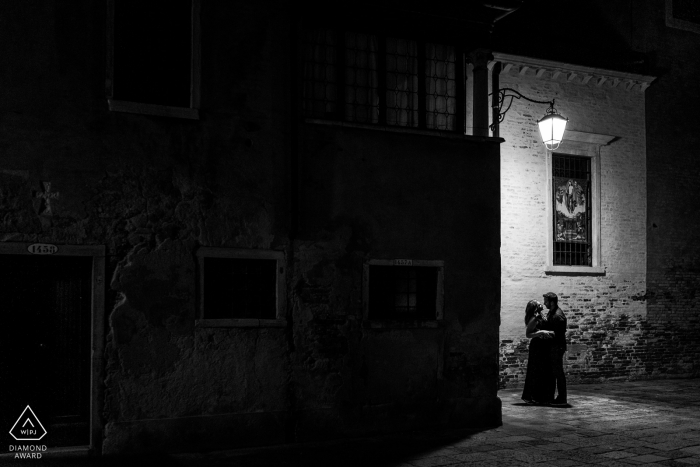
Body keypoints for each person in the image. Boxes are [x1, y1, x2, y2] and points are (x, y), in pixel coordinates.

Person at [521, 300, 555, 404]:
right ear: (535, 307)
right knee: (535, 370)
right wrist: (541, 332)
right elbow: (528, 334)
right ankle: (531, 395)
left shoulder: (541, 315)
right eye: (539, 303)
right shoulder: (534, 318)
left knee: (542, 370)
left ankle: (541, 396)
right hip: (537, 346)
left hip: (543, 345)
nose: (541, 304)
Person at [542, 292, 568, 406]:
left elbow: (558, 334)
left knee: (558, 372)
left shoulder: (558, 315)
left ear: (551, 302)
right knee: (555, 372)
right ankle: (553, 396)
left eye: (546, 301)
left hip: (557, 347)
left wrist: (546, 333)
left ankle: (562, 397)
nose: (544, 303)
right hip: (554, 346)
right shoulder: (552, 312)